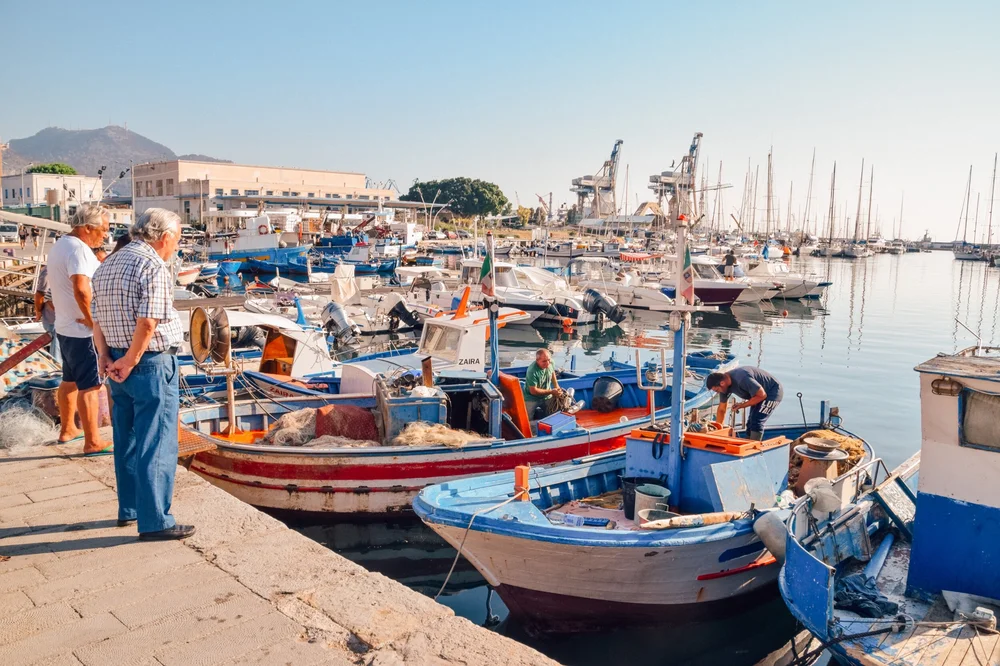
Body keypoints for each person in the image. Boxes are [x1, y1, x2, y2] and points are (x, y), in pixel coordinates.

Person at [92, 208, 194, 540]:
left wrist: (106, 357)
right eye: (175, 241)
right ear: (164, 237)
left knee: (127, 438)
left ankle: (131, 508)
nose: (175, 249)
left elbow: (97, 321)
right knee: (158, 441)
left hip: (117, 360)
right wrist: (132, 360)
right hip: (148, 363)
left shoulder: (108, 264)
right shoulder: (152, 266)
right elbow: (148, 322)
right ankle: (155, 521)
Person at [46, 205, 113, 454]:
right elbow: (82, 288)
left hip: (65, 326)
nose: (105, 235)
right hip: (82, 331)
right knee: (91, 386)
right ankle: (93, 441)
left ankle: (67, 430)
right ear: (87, 228)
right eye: (103, 229)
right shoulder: (79, 249)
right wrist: (92, 321)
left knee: (70, 381)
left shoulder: (61, 245)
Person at [707, 367, 783, 441]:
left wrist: (742, 405)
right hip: (757, 394)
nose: (717, 392)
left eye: (717, 390)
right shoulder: (724, 388)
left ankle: (753, 449)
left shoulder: (742, 378)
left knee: (756, 421)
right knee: (750, 423)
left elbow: (762, 395)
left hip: (772, 391)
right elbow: (721, 410)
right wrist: (717, 432)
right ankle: (747, 443)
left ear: (722, 383)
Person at [523, 348, 570, 418]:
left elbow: (552, 372)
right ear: (537, 361)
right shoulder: (532, 371)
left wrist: (557, 386)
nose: (547, 363)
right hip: (531, 398)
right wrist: (551, 391)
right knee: (526, 420)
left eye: (549, 360)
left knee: (555, 414)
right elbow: (533, 391)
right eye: (544, 361)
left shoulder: (550, 363)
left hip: (547, 396)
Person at [33, 266, 60, 364]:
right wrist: (38, 311)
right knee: (57, 351)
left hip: (57, 318)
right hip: (54, 319)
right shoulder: (50, 269)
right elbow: (40, 294)